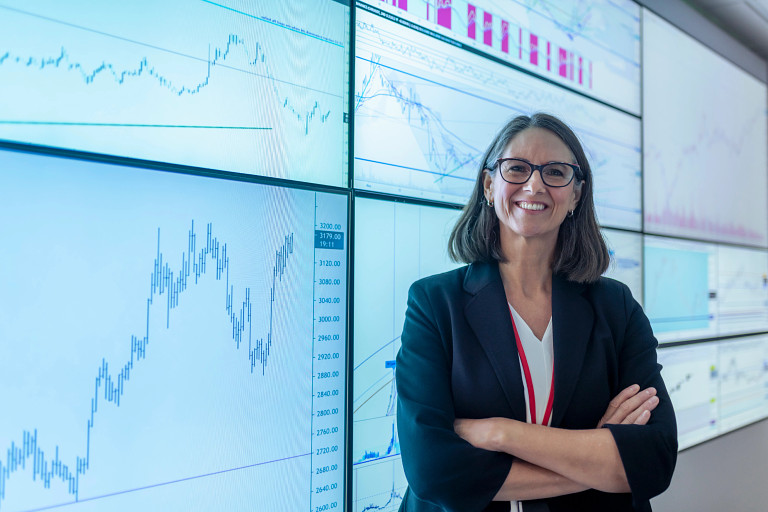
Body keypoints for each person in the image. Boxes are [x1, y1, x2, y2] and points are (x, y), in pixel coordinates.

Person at [395, 113, 677, 512]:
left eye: (556, 172)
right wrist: (596, 458)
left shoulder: (616, 308)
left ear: (576, 195)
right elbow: (434, 471)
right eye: (517, 169)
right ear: (490, 185)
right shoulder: (434, 303)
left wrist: (500, 434)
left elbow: (655, 458)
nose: (535, 184)